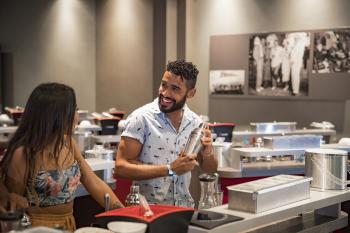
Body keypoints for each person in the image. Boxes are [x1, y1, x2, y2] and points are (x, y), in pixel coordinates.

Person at [0, 83, 123, 231]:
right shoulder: (23, 153)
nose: (77, 117)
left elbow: (93, 181)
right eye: (73, 110)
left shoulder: (68, 142)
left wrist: (123, 213)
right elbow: (13, 206)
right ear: (54, 116)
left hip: (68, 224)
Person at [115, 59, 218, 206]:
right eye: (164, 85)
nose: (165, 93)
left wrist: (208, 153)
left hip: (183, 210)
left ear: (191, 93)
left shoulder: (196, 123)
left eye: (175, 89)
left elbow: (210, 169)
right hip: (147, 211)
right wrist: (169, 169)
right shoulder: (141, 118)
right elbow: (120, 167)